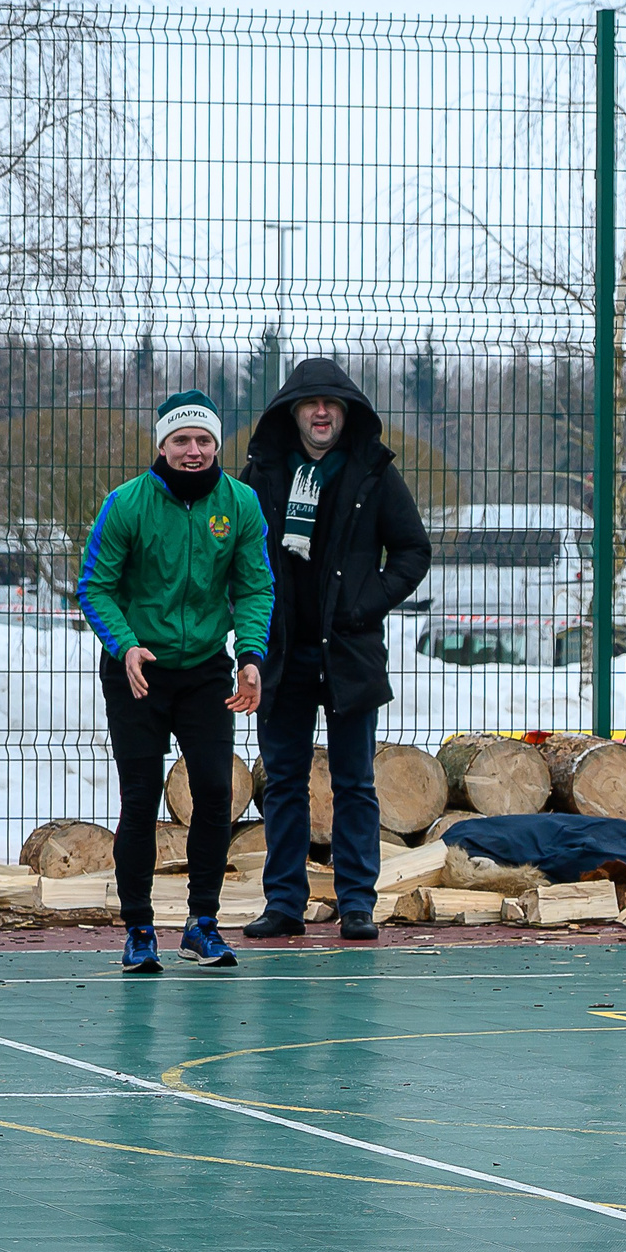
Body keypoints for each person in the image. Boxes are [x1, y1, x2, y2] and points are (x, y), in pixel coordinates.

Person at [76, 391, 272, 973]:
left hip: (206, 667)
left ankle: (201, 923)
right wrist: (125, 644)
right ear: (161, 444)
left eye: (204, 440)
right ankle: (139, 929)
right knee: (139, 798)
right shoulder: (126, 504)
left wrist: (252, 655)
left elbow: (255, 587)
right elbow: (95, 586)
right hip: (138, 669)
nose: (193, 450)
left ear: (217, 446)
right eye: (181, 440)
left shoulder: (241, 504)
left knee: (216, 790)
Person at [237, 357, 430, 942]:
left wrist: (363, 605)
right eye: (310, 404)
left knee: (353, 782)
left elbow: (412, 551)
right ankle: (284, 904)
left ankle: (356, 903)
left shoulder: (372, 472)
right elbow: (239, 559)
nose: (322, 413)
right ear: (292, 412)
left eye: (332, 404)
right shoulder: (261, 475)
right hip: (281, 652)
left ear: (347, 413)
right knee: (285, 782)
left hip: (348, 652)